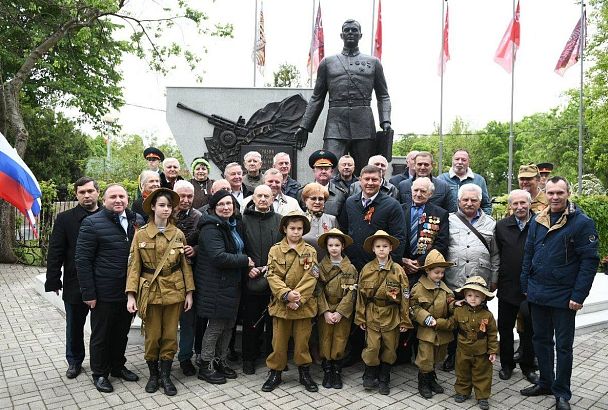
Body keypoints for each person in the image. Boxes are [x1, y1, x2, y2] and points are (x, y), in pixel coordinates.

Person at [520, 176, 599, 410]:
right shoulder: (538, 219)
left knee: (563, 346)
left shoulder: (582, 222)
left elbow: (589, 262)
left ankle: (562, 393)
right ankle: (545, 382)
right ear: (545, 193)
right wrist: (525, 284)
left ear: (568, 194)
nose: (554, 197)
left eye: (559, 193)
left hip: (565, 297)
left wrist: (579, 295)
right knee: (540, 341)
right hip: (537, 293)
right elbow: (528, 253)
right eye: (551, 193)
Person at [295, 19, 391, 175]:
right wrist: (305, 126)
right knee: (330, 169)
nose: (351, 33)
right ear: (341, 35)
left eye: (354, 30)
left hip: (364, 123)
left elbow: (383, 95)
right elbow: (317, 97)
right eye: (347, 30)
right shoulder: (328, 63)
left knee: (366, 172)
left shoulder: (374, 63)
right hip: (336, 123)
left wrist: (385, 121)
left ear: (360, 35)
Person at [125, 188, 195, 396]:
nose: (166, 209)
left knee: (170, 336)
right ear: (153, 207)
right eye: (162, 205)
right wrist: (131, 294)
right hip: (150, 292)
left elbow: (185, 266)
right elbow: (134, 266)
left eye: (169, 206)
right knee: (153, 336)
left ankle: (166, 375)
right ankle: (153, 375)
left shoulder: (178, 234)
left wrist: (189, 292)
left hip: (174, 290)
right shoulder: (142, 234)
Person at [75, 184, 142, 393]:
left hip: (128, 291)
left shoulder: (136, 221)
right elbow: (83, 260)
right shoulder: (91, 223)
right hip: (103, 292)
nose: (118, 200)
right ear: (104, 201)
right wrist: (89, 293)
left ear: (127, 199)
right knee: (101, 335)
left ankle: (117, 366)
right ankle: (100, 373)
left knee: (122, 332)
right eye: (113, 196)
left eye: (122, 196)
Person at [195, 190, 254, 385]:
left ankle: (220, 359)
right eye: (221, 204)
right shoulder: (211, 228)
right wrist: (245, 260)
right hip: (216, 284)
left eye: (229, 203)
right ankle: (205, 364)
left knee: (229, 325)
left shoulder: (232, 225)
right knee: (216, 326)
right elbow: (218, 257)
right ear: (213, 208)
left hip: (232, 283)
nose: (226, 207)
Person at [45, 177, 101, 379]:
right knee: (74, 326)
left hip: (103, 282)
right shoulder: (65, 219)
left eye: (89, 191)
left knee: (101, 327)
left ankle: (101, 362)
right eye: (81, 192)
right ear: (76, 195)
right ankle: (74, 361)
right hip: (74, 281)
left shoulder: (109, 215)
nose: (86, 195)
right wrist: (53, 279)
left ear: (97, 192)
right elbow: (56, 251)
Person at [443, 184, 499, 372]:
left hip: (479, 283)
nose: (469, 203)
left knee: (476, 322)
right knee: (455, 320)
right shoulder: (449, 220)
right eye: (465, 199)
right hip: (454, 280)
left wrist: (494, 279)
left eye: (474, 200)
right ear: (458, 201)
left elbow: (495, 255)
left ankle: (478, 355)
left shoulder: (490, 223)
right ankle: (452, 355)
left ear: (480, 201)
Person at [262, 211, 319, 393]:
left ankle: (304, 372)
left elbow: (312, 276)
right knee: (278, 342)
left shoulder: (310, 251)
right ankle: (275, 372)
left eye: (299, 229)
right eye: (292, 228)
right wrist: (286, 295)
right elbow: (272, 275)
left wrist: (298, 298)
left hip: (303, 306)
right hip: (282, 306)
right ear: (285, 229)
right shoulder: (275, 250)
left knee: (303, 342)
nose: (296, 232)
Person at [354, 230, 412, 395]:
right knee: (372, 347)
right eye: (378, 246)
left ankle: (385, 376)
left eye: (385, 246)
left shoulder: (398, 270)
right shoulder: (367, 269)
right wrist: (360, 317)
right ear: (373, 249)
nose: (381, 249)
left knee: (390, 348)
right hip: (372, 313)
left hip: (391, 315)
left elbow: (405, 297)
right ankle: (370, 372)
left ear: (390, 248)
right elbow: (360, 296)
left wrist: (405, 320)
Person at [495, 189, 538, 384]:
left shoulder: (540, 224)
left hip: (532, 288)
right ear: (510, 206)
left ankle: (528, 366)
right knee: (504, 328)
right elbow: (497, 255)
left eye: (523, 203)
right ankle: (506, 364)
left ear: (530, 203)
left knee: (529, 329)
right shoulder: (502, 226)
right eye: (515, 204)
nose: (519, 207)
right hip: (508, 286)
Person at [240, 184, 283, 375]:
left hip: (274, 281)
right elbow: (238, 248)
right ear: (253, 199)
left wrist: (271, 267)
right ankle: (249, 358)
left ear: (272, 198)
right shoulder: (242, 221)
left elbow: (284, 248)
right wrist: (247, 267)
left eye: (267, 196)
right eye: (260, 196)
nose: (263, 199)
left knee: (273, 324)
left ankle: (272, 358)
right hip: (251, 279)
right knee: (251, 322)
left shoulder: (280, 221)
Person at [340, 165, 406, 272]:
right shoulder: (350, 202)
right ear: (360, 180)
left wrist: (389, 265)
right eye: (366, 179)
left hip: (380, 267)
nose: (370, 183)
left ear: (380, 181)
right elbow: (344, 231)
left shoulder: (392, 205)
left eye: (374, 180)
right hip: (352, 265)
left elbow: (399, 238)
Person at [409, 249, 455, 399]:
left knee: (436, 356)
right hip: (426, 331)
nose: (440, 276)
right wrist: (425, 317)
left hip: (441, 330)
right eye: (437, 272)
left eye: (442, 272)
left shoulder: (444, 288)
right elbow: (413, 307)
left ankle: (431, 378)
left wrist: (456, 305)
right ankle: (423, 382)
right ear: (427, 270)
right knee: (425, 358)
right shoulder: (418, 288)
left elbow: (450, 303)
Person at [316, 228, 358, 389]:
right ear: (326, 247)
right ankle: (327, 368)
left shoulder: (350, 268)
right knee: (325, 337)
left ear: (343, 247)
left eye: (337, 245)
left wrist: (340, 312)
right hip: (325, 308)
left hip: (342, 310)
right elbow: (317, 289)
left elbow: (351, 292)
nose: (334, 248)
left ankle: (337, 369)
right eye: (330, 245)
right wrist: (325, 311)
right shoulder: (320, 267)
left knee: (340, 337)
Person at [450, 276, 498, 410]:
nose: (473, 298)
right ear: (464, 295)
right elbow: (451, 324)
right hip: (463, 349)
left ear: (483, 298)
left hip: (481, 352)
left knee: (482, 374)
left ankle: (482, 396)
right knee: (462, 372)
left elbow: (492, 334)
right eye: (470, 295)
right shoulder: (459, 310)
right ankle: (462, 392)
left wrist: (492, 350)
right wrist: (437, 323)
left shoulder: (488, 315)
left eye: (477, 296)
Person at [172, 180, 203, 376]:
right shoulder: (165, 213)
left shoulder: (200, 217)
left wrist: (196, 249)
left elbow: (207, 241)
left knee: (188, 320)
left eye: (189, 196)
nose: (185, 200)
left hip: (189, 275)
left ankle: (185, 357)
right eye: (181, 196)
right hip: (166, 275)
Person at [401, 177, 449, 286]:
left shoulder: (440, 214)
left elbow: (441, 243)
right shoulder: (399, 210)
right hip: (401, 267)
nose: (418, 194)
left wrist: (420, 262)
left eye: (423, 191)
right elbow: (393, 238)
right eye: (416, 190)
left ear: (430, 194)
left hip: (427, 270)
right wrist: (402, 260)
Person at [437, 149, 492, 215]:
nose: (460, 162)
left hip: (472, 224)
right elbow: (436, 204)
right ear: (452, 161)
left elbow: (486, 205)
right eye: (457, 159)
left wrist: (482, 222)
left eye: (463, 160)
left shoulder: (479, 180)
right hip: (447, 222)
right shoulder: (441, 179)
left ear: (469, 162)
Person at [300, 149, 348, 218]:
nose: (323, 171)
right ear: (314, 171)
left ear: (331, 171)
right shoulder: (302, 191)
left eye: (326, 168)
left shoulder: (340, 194)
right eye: (320, 168)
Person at [301, 182, 339, 260]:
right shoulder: (300, 219)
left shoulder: (332, 220)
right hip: (304, 263)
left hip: (326, 265)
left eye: (321, 199)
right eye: (313, 198)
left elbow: (338, 244)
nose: (317, 202)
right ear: (305, 200)